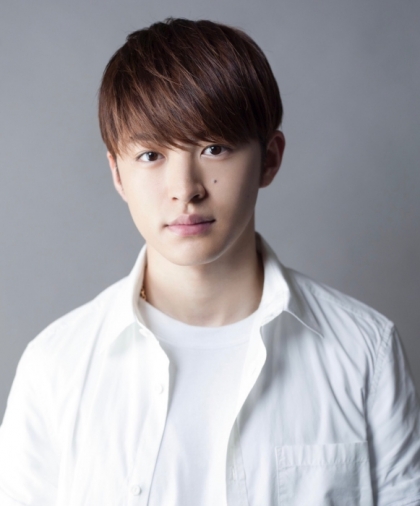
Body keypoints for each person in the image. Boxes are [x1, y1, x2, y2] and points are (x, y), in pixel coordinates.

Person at [0, 17, 419, 506]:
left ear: (269, 159)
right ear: (116, 173)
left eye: (214, 148)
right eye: (151, 155)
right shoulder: (56, 366)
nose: (185, 189)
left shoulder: (365, 351)